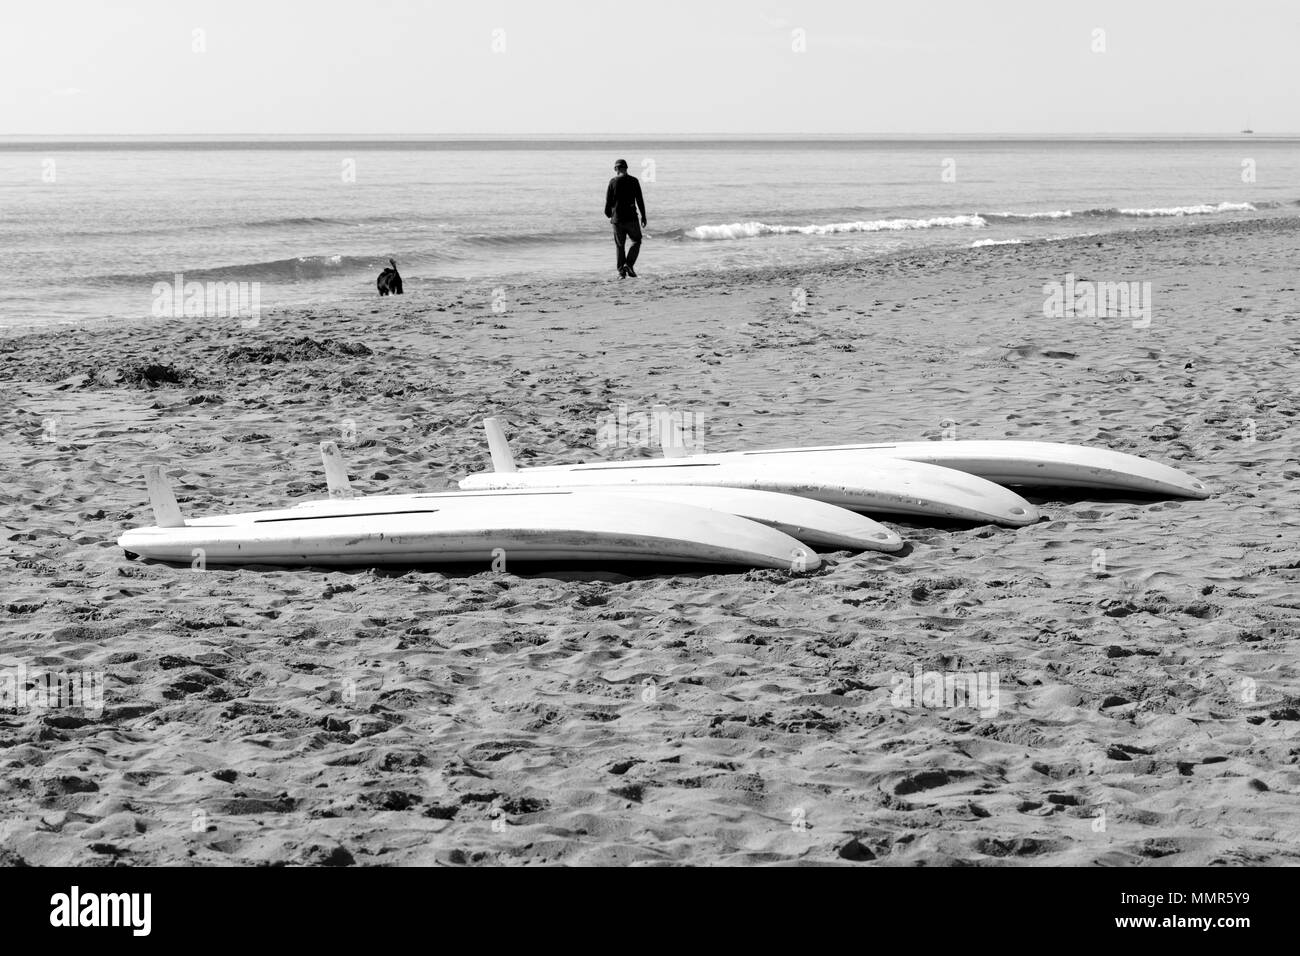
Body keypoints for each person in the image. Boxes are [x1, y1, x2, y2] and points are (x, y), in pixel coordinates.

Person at [604, 159, 646, 278]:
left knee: (620, 245)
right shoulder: (634, 181)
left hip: (617, 219)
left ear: (616, 169)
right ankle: (629, 264)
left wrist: (609, 214)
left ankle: (621, 272)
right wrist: (643, 216)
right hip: (632, 218)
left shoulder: (613, 182)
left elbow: (608, 201)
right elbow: (639, 200)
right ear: (626, 168)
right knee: (636, 241)